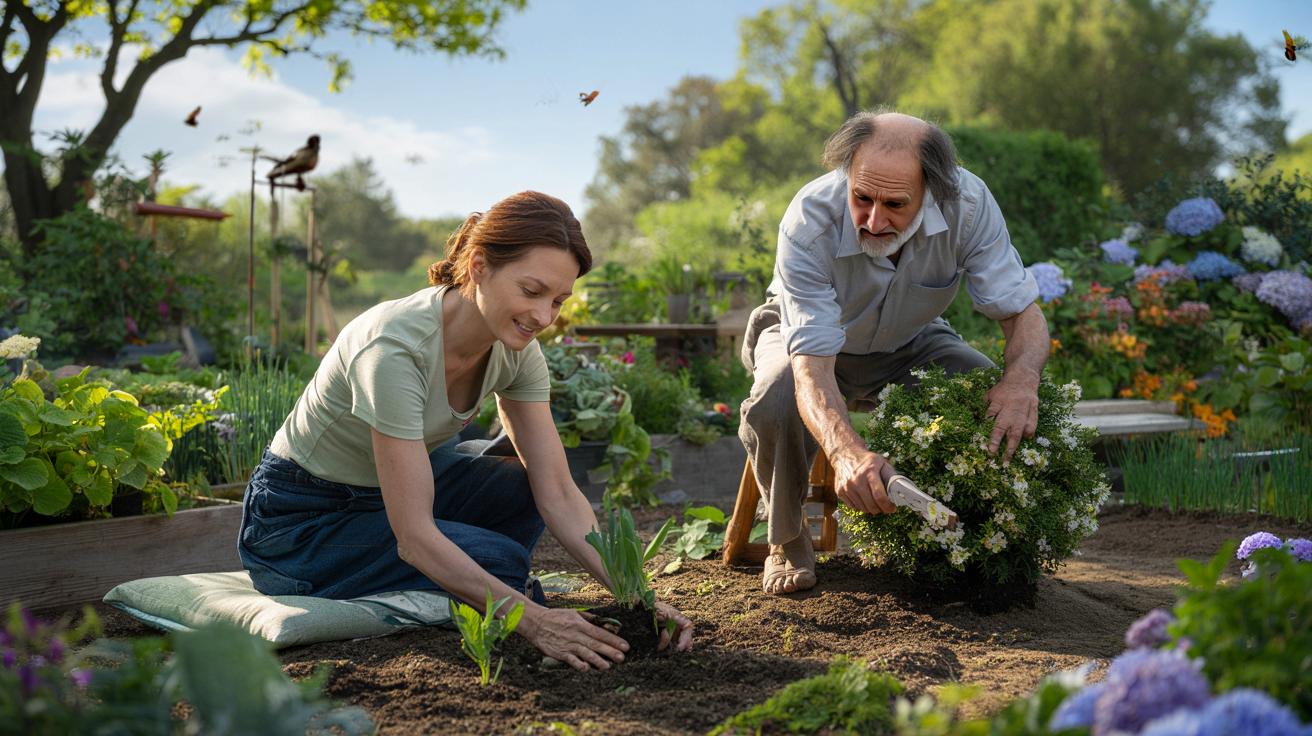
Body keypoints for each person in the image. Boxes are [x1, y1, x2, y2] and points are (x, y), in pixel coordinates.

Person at [239, 191, 693, 669]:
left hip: (384, 497)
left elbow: (557, 490)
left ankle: (472, 578)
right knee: (500, 564)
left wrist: (638, 599)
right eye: (531, 291)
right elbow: (413, 535)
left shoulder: (516, 349)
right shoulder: (395, 349)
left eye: (558, 301)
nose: (543, 317)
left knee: (522, 488)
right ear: (478, 266)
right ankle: (481, 579)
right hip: (300, 526)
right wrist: (535, 621)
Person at [739, 111, 1051, 595]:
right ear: (848, 175)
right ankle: (787, 537)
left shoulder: (967, 206)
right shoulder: (809, 220)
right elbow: (811, 367)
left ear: (933, 191)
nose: (873, 219)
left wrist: (1021, 381)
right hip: (805, 339)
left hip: (910, 342)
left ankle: (979, 542)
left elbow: (1021, 314)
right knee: (777, 393)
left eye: (895, 204)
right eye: (861, 198)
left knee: (989, 391)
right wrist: (845, 453)